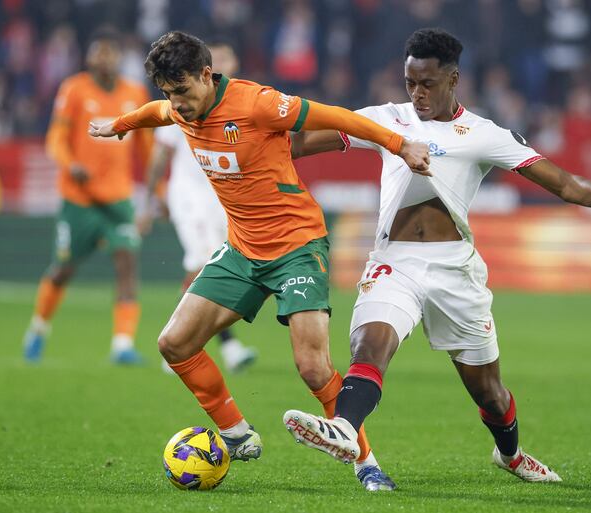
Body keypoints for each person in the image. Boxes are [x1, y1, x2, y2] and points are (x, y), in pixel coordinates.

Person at [283, 28, 591, 484]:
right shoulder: (386, 118)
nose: (417, 93)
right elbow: (301, 143)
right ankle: (345, 429)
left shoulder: (484, 134)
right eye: (410, 82)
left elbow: (564, 184)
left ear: (453, 79)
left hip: (455, 270)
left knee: (488, 392)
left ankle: (510, 454)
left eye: (427, 83)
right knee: (370, 346)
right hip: (396, 261)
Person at [88, 31, 430, 491]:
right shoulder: (178, 105)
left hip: (297, 247)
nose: (178, 103)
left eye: (184, 91)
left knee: (312, 368)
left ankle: (367, 463)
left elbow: (338, 117)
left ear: (207, 75)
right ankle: (235, 432)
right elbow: (157, 112)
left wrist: (398, 144)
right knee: (174, 343)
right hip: (242, 250)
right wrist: (123, 124)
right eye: (170, 93)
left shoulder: (258, 105)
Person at [22, 27, 152, 364]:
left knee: (127, 265)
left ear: (119, 57)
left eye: (111, 51)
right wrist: (70, 164)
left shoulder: (135, 93)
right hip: (78, 201)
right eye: (99, 51)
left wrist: (157, 195)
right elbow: (55, 138)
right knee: (62, 270)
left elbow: (147, 149)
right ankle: (38, 328)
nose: (105, 57)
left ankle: (122, 345)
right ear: (89, 56)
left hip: (118, 201)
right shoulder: (75, 89)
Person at [137, 42, 257, 374]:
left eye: (226, 57)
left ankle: (175, 345)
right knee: (206, 264)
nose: (220, 64)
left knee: (213, 268)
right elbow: (161, 154)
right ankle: (224, 347)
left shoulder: (243, 104)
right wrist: (148, 202)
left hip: (224, 199)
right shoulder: (185, 101)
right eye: (214, 58)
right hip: (190, 197)